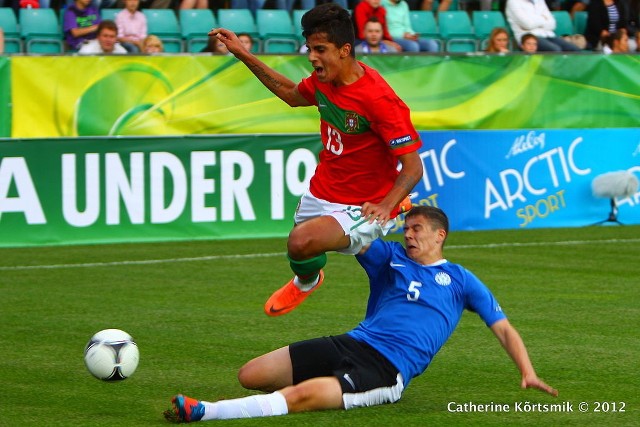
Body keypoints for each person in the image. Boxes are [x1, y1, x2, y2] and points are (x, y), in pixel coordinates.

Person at [163, 206, 559, 423]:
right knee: (250, 375)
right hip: (351, 342)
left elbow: (503, 329)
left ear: (440, 235)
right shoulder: (391, 257)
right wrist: (367, 219)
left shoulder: (461, 279)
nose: (408, 235)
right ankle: (307, 394)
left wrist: (527, 370)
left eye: (417, 229)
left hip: (387, 370)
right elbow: (349, 241)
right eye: (406, 228)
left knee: (301, 397)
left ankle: (206, 413)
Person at [209, 3, 424, 317]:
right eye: (309, 48)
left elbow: (413, 165)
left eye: (320, 49)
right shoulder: (325, 80)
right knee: (301, 248)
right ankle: (310, 276)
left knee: (302, 241)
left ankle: (390, 211)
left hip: (365, 201)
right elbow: (291, 94)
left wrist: (386, 203)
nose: (312, 57)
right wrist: (243, 53)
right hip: (323, 189)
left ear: (344, 49)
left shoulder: (379, 99)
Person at [505, 0, 582, 51]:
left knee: (574, 50)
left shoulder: (540, 1)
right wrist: (543, 19)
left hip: (548, 35)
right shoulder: (513, 2)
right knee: (555, 50)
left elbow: (553, 24)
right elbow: (528, 24)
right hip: (529, 38)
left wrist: (534, 19)